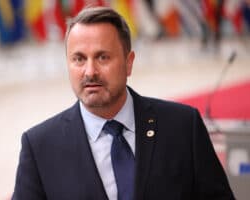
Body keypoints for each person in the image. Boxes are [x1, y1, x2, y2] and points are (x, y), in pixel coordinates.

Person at [12, 6, 235, 200]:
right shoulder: (40, 147)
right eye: (79, 59)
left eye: (103, 57)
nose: (90, 72)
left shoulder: (184, 127)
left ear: (129, 63)